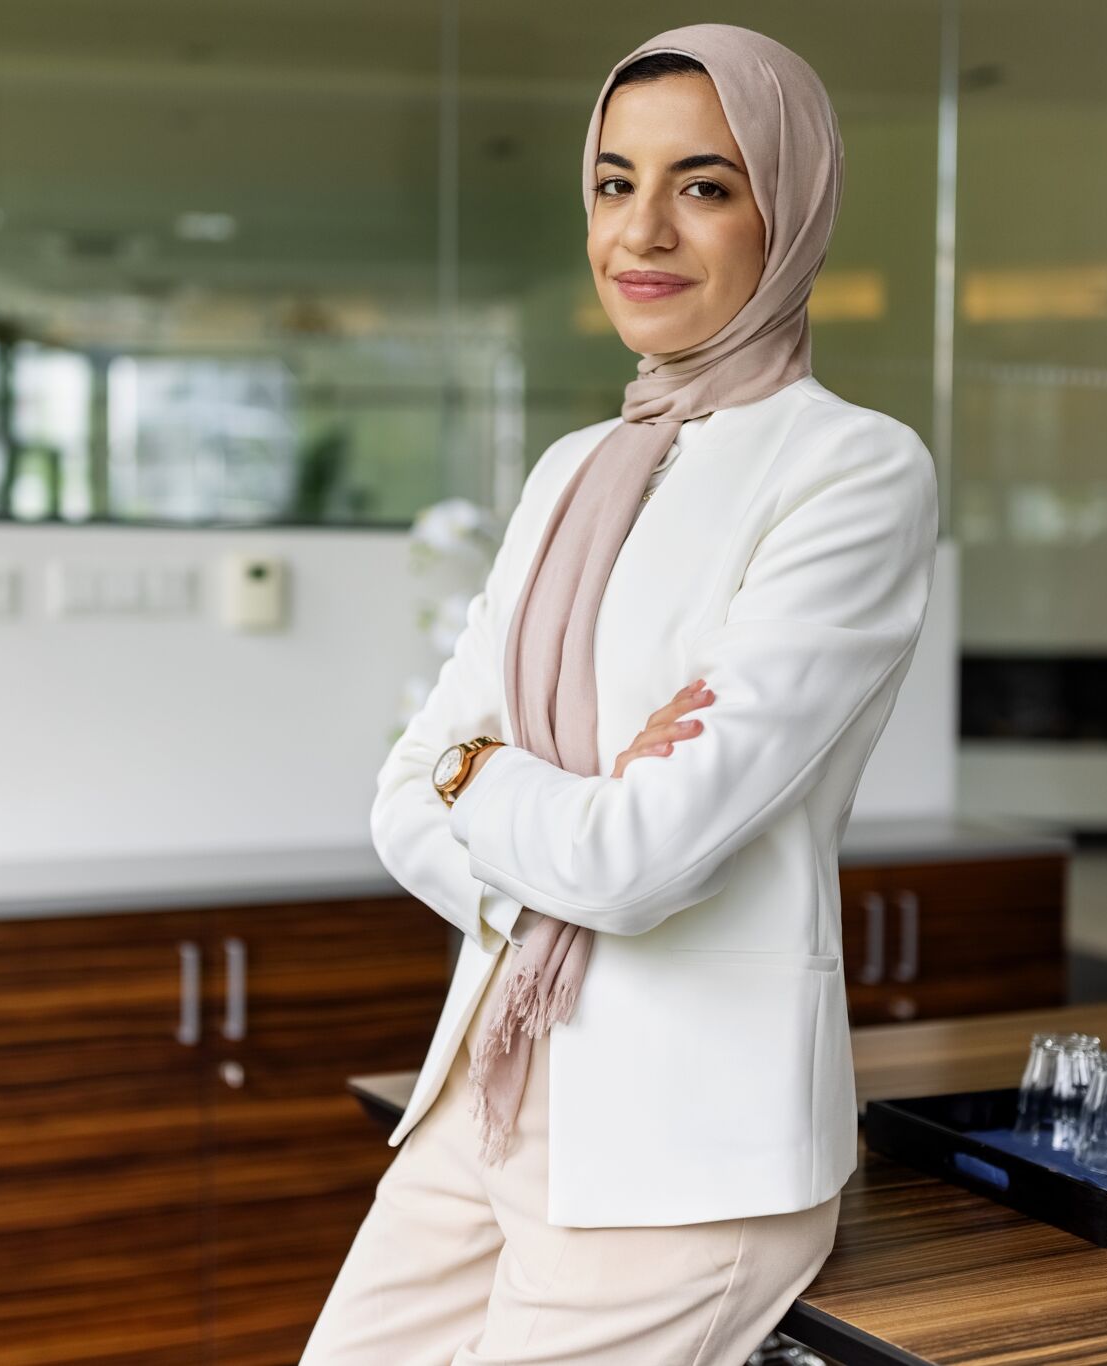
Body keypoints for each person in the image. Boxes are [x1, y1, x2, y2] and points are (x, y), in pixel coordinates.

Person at [301, 22, 938, 1365]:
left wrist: (488, 777)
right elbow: (400, 796)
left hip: (682, 1161)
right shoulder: (570, 468)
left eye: (703, 185)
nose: (642, 230)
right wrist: (547, 806)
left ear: (790, 206)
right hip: (494, 1087)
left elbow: (639, 859)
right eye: (612, 182)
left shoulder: (852, 472)